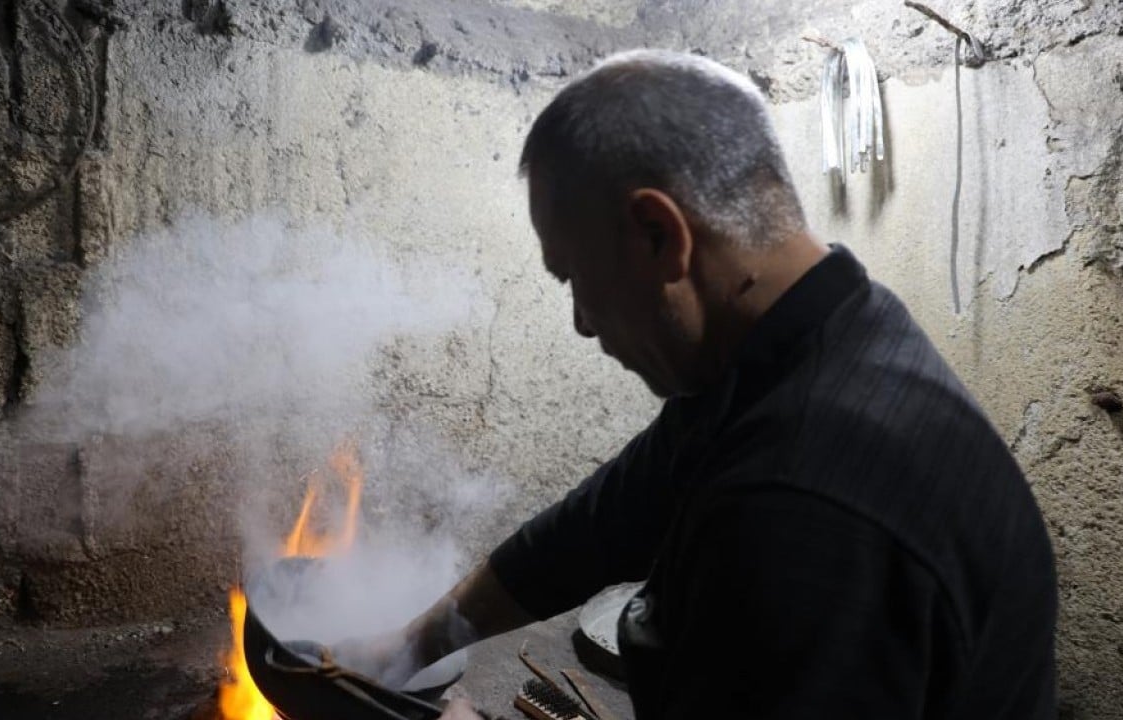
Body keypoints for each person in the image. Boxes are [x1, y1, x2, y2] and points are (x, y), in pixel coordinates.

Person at [336, 48, 1059, 719]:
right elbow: (595, 526)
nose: (584, 323)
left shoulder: (798, 500)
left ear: (660, 234)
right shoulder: (807, 344)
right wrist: (411, 646)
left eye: (574, 279)